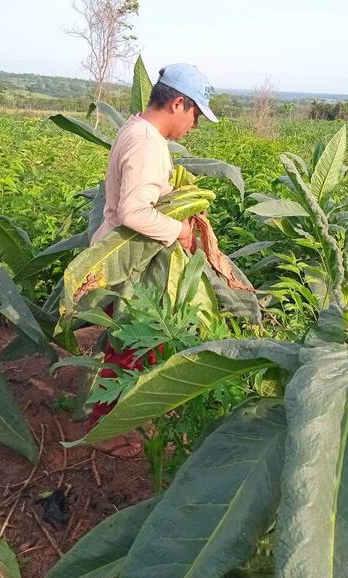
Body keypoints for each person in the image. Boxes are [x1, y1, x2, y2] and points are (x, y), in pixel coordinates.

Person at [88, 63, 218, 457]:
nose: (194, 125)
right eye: (195, 114)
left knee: (131, 339)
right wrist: (179, 230)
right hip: (129, 257)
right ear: (178, 103)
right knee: (131, 342)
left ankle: (123, 413)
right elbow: (134, 212)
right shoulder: (149, 143)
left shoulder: (137, 128)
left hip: (120, 251)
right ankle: (103, 428)